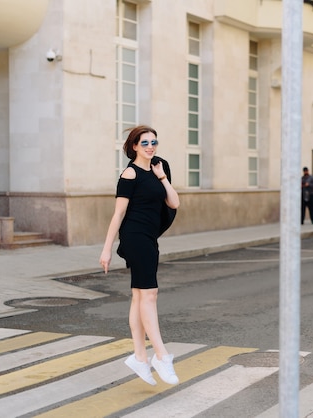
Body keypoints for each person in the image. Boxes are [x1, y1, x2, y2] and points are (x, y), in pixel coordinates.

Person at [99, 125, 181, 386]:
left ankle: (139, 357)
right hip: (134, 238)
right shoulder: (129, 174)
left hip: (149, 238)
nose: (150, 146)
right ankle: (161, 355)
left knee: (139, 296)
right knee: (149, 294)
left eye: (153, 142)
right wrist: (106, 248)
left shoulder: (159, 168)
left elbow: (174, 203)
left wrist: (162, 178)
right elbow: (118, 214)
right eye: (144, 142)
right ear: (134, 146)